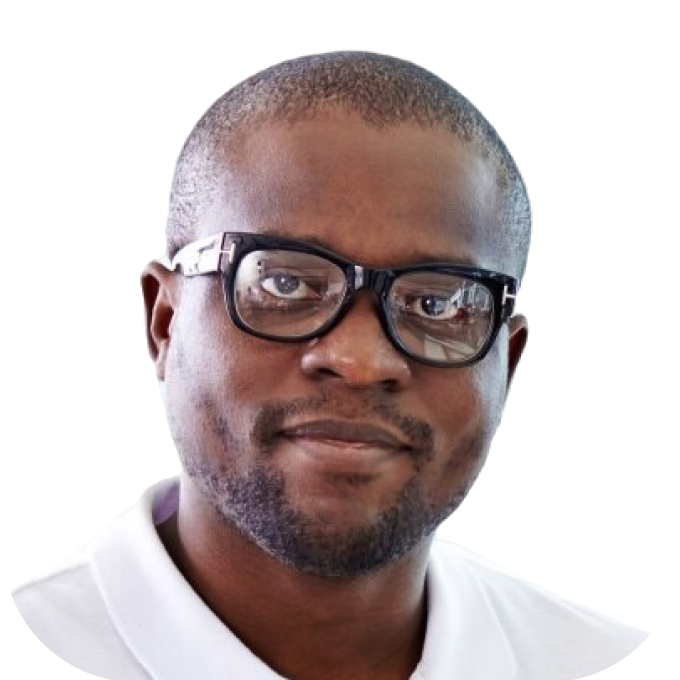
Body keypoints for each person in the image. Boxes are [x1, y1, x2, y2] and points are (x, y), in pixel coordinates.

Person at [10, 50, 649, 680]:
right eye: (283, 283)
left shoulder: (587, 661)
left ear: (506, 366)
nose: (360, 361)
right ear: (164, 323)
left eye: (437, 304)